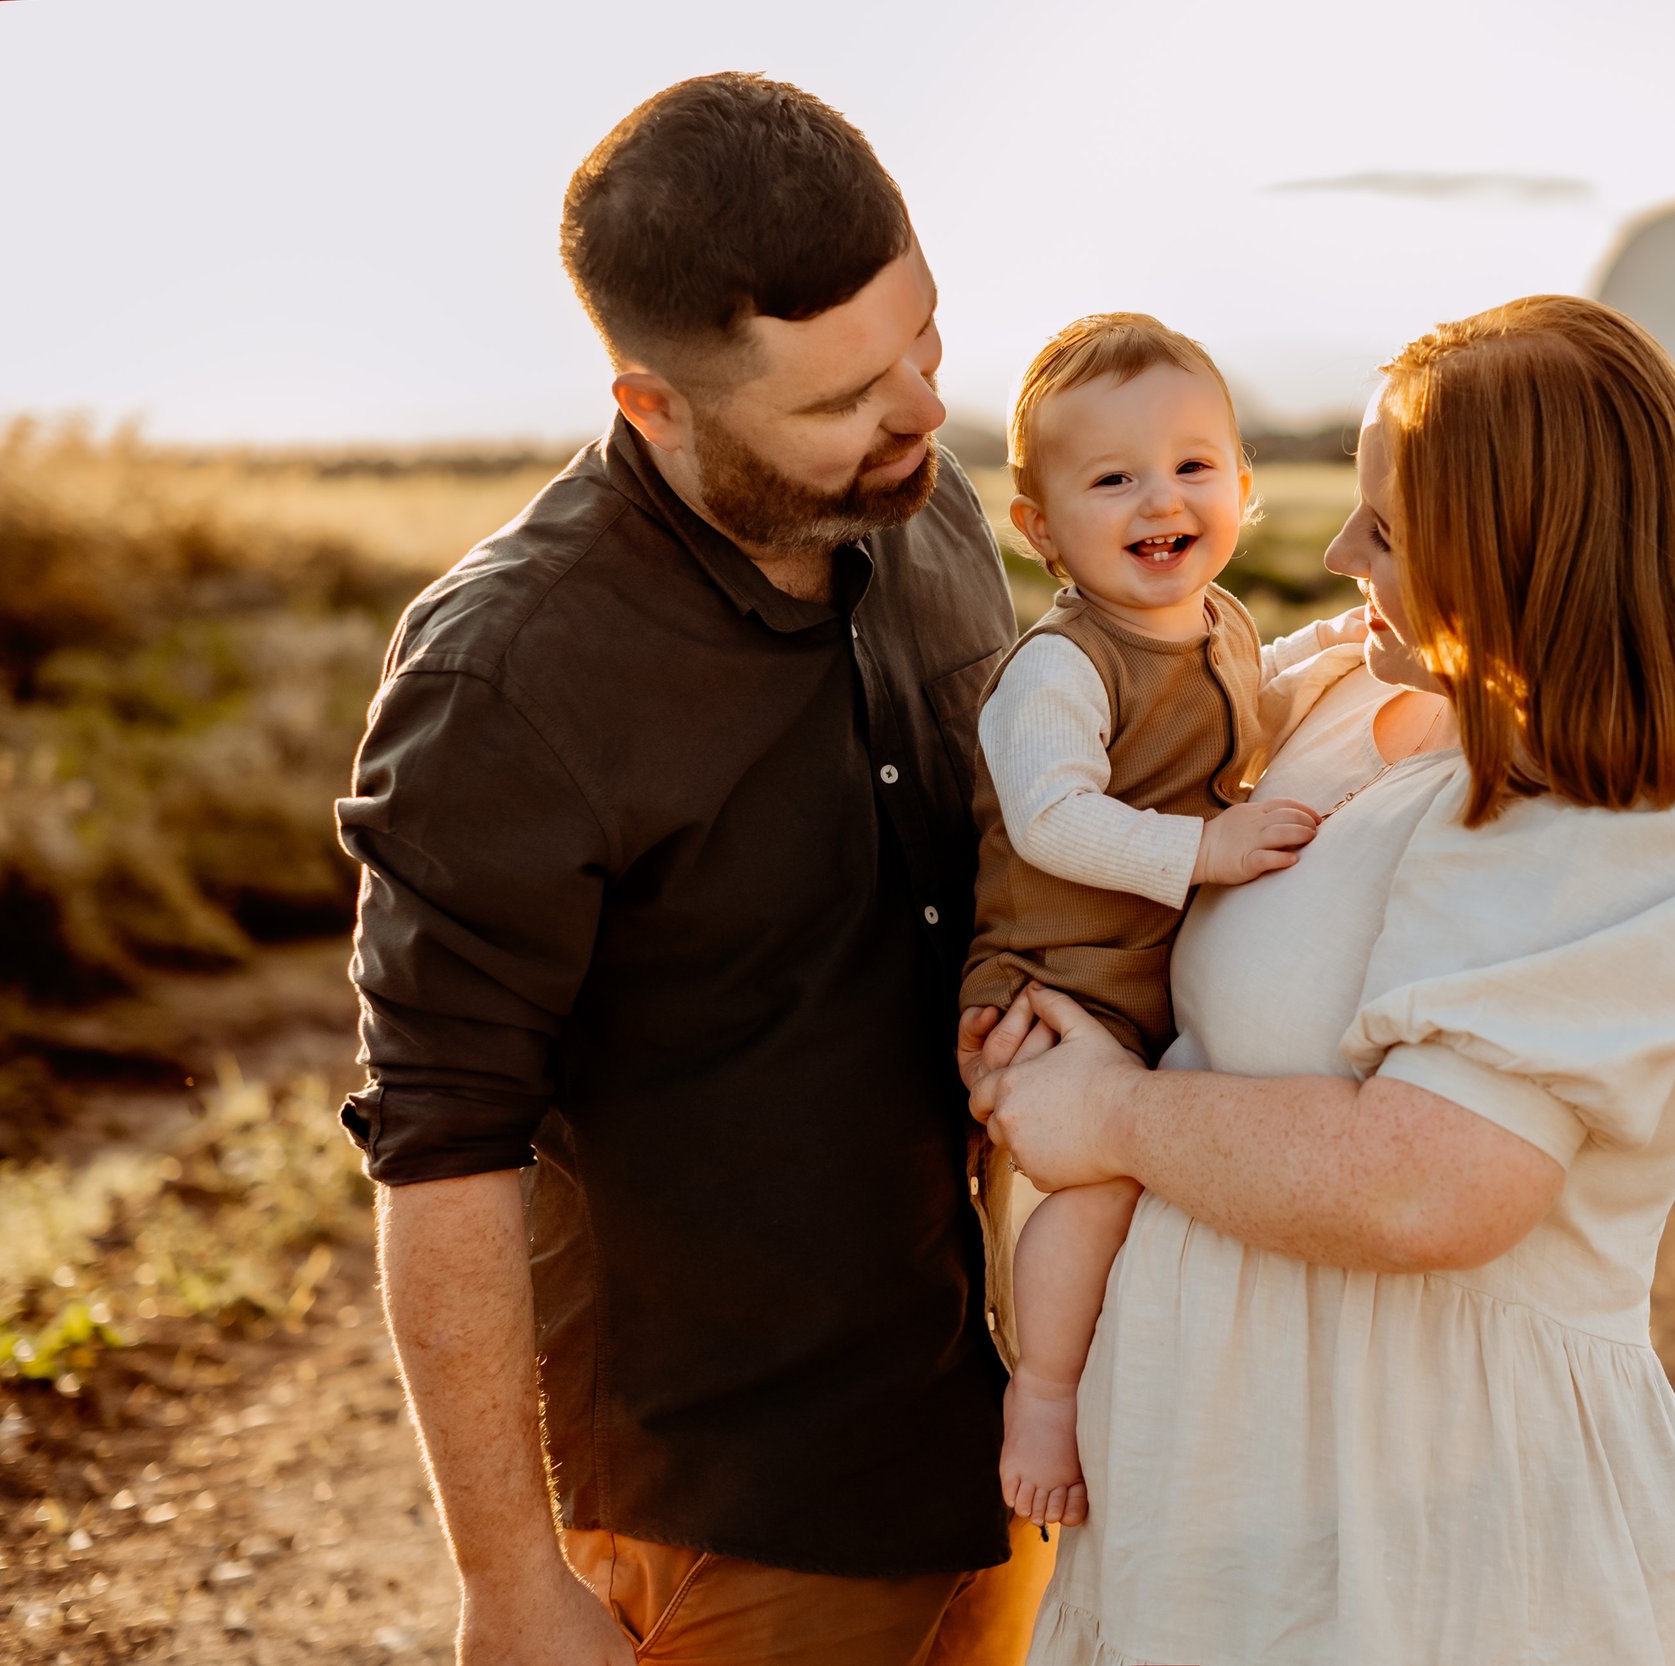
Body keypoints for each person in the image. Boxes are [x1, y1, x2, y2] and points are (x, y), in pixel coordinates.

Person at [962, 294, 1675, 1664]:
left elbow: (1428, 1184)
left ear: (1524, 555)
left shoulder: (1628, 826)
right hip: (1218, 1511)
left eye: (1392, 531)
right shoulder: (1347, 697)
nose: (1341, 551)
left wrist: (1108, 1117)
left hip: (1431, 1538)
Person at [336, 73, 1048, 1666]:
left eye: (920, 344)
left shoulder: (925, 517)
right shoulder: (507, 678)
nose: (921, 413)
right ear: (656, 404)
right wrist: (510, 1583)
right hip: (726, 1509)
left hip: (999, 1451)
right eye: (838, 401)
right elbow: (444, 1146)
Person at [957, 313, 1362, 1531]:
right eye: (1112, 477)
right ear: (1040, 530)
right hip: (1057, 977)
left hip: (1141, 973)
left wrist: (1329, 656)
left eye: (1191, 467)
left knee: (1168, 1167)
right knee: (1093, 1191)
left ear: (1240, 484)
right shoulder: (1060, 668)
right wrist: (1209, 849)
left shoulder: (1221, 622)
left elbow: (1236, 712)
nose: (1158, 499)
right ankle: (1043, 1391)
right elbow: (1053, 823)